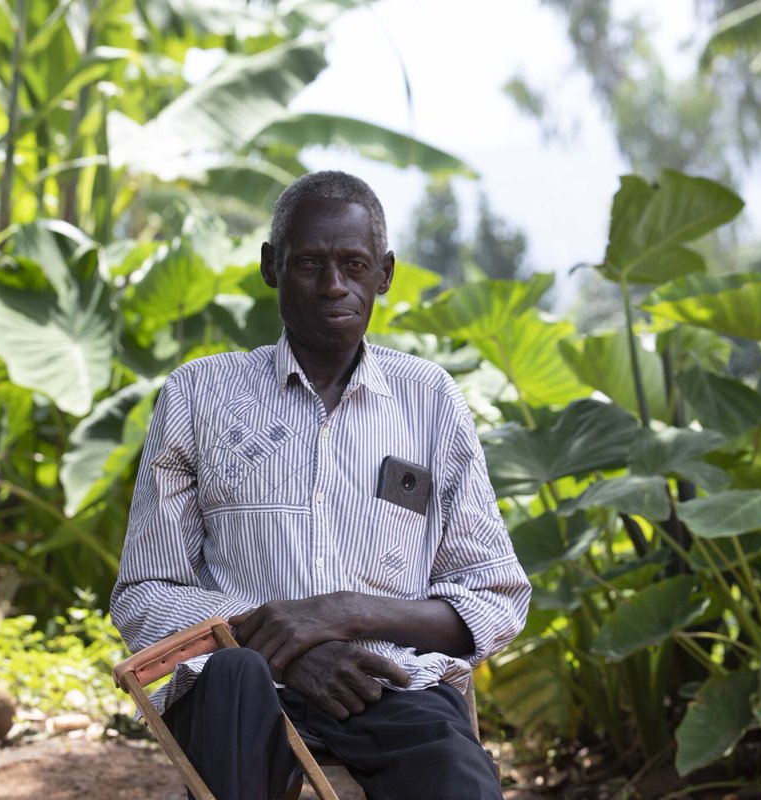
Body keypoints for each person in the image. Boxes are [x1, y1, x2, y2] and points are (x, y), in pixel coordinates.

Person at [111, 171, 531, 799]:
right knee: (235, 678)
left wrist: (344, 612)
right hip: (243, 696)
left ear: (383, 273)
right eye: (308, 262)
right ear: (270, 267)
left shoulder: (430, 400)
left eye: (353, 264)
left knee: (455, 771)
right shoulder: (199, 396)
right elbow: (144, 595)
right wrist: (287, 648)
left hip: (386, 686)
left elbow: (493, 599)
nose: (334, 285)